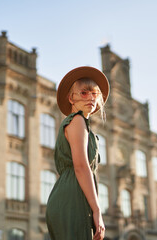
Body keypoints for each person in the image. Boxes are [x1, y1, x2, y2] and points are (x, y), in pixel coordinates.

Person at [46, 66, 110, 240]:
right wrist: (97, 210)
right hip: (73, 198)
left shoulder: (84, 126)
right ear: (71, 98)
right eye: (84, 93)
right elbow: (81, 166)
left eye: (95, 94)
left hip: (75, 196)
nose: (90, 97)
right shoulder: (77, 120)